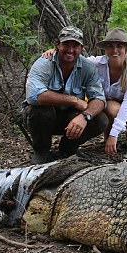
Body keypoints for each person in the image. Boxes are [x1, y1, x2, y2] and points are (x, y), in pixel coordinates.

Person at [43, 27, 127, 155]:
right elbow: (74, 56)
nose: (114, 50)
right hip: (106, 102)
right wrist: (56, 52)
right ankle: (107, 136)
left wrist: (115, 134)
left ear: (126, 49)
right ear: (105, 49)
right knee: (112, 109)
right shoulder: (96, 63)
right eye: (110, 46)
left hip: (124, 100)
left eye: (119, 46)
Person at [25, 26, 108, 164]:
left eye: (75, 46)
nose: (70, 50)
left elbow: (99, 99)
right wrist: (74, 100)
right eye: (66, 45)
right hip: (43, 119)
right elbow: (34, 96)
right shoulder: (44, 63)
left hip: (70, 118)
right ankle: (41, 151)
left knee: (100, 119)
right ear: (57, 44)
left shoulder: (88, 67)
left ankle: (68, 149)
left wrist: (84, 116)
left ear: (82, 48)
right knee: (39, 110)